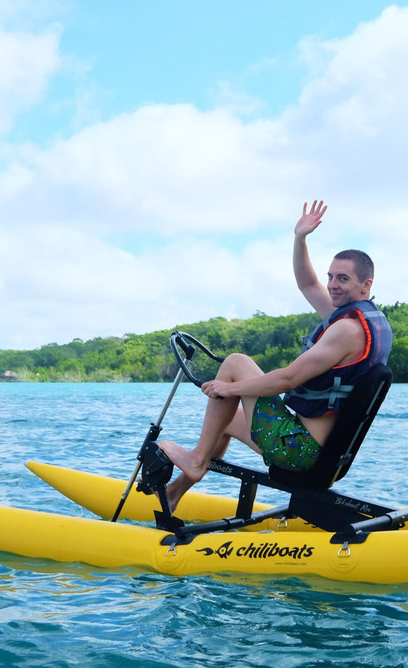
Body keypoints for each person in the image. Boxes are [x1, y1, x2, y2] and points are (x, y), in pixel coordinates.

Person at [158, 199, 393, 511]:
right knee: (224, 420)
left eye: (343, 279)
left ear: (366, 285)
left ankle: (197, 460)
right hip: (322, 453)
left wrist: (230, 388)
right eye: (331, 276)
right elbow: (307, 283)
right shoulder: (363, 322)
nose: (332, 285)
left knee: (235, 363)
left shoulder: (347, 331)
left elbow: (288, 378)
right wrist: (300, 239)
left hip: (299, 451)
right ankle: (175, 493)